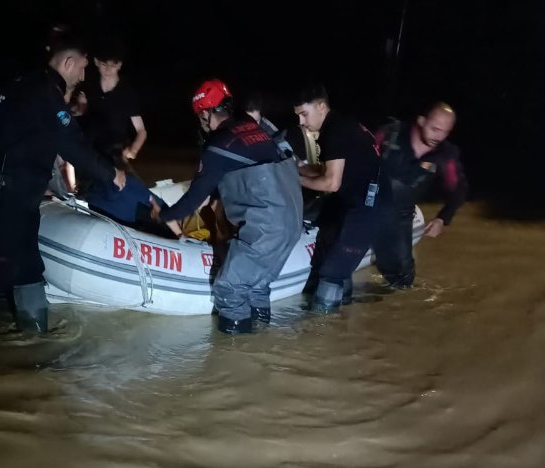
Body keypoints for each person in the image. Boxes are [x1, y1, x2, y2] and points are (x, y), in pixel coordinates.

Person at [0, 30, 127, 335]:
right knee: (27, 268)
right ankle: (36, 344)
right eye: (81, 68)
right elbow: (72, 146)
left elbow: (21, 139)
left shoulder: (20, 85)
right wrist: (111, 174)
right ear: (67, 63)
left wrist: (41, 180)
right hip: (13, 192)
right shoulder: (45, 94)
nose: (82, 75)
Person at [153, 79, 304, 334]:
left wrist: (163, 215)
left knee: (229, 288)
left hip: (267, 228)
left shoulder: (219, 145)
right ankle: (261, 344)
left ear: (204, 113)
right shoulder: (254, 128)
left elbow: (194, 199)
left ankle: (235, 361)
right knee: (256, 286)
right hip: (293, 221)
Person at [295, 84, 385, 312]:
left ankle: (321, 328)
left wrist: (295, 180)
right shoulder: (340, 125)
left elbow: (331, 183)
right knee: (329, 249)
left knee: (332, 272)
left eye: (304, 114)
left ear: (321, 107)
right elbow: (331, 170)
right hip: (354, 199)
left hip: (369, 206)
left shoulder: (334, 133)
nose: (301, 122)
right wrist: (298, 168)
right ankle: (342, 312)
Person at [372, 102, 467, 288]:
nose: (438, 136)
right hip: (364, 201)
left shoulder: (445, 156)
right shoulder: (389, 134)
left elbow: (459, 190)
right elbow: (356, 157)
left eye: (445, 132)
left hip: (400, 214)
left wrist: (442, 219)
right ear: (422, 121)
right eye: (434, 129)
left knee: (403, 281)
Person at [73, 36, 148, 162]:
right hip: (89, 150)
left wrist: (133, 150)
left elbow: (141, 131)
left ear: (119, 65)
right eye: (103, 64)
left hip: (115, 152)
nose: (107, 69)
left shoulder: (127, 93)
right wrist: (77, 108)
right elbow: (81, 111)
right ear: (96, 62)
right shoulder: (88, 85)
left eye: (112, 65)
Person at [84, 148, 183, 238]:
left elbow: (153, 201)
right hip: (123, 213)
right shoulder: (124, 184)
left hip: (129, 210)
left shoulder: (130, 184)